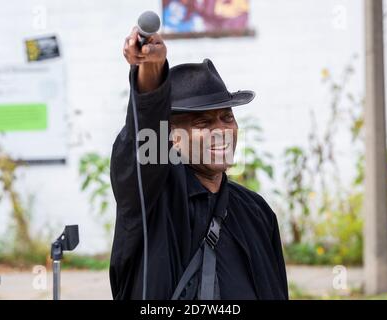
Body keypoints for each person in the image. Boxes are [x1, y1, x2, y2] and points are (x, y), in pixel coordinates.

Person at [109, 26, 288, 300]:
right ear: (172, 138)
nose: (221, 130)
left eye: (227, 118)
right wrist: (151, 75)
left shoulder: (256, 212)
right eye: (203, 123)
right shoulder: (153, 201)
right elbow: (140, 148)